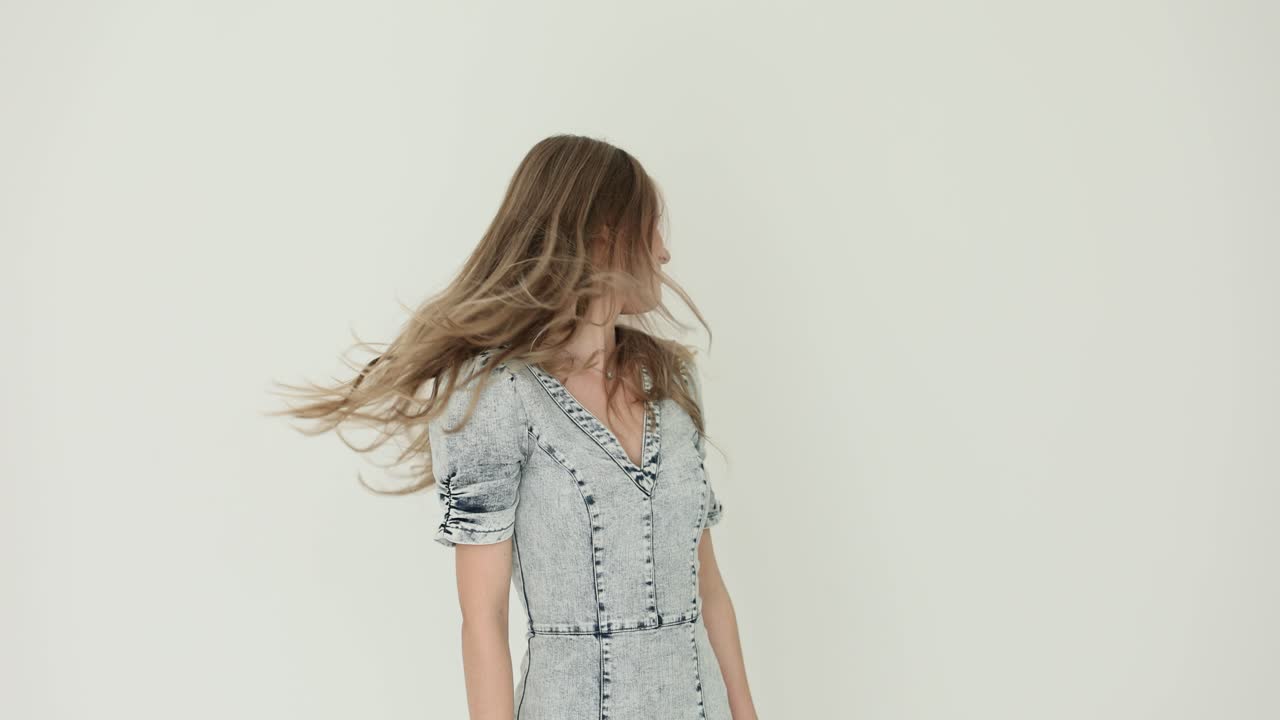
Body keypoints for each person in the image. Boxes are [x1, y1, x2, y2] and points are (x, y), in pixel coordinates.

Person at [272, 134, 758, 719]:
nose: (663, 253)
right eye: (651, 227)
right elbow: (483, 620)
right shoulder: (494, 395)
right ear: (603, 234)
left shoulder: (672, 378)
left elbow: (710, 590)